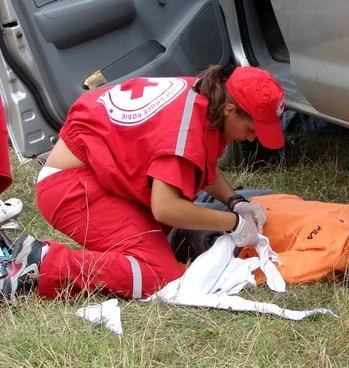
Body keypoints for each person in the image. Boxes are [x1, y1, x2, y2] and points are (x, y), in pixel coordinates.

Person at [0, 64, 287, 302]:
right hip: (71, 189)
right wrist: (232, 223)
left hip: (90, 176)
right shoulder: (186, 130)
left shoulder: (203, 94)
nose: (252, 138)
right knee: (158, 275)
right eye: (251, 129)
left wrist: (235, 202)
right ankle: (41, 264)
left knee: (167, 236)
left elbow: (201, 162)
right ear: (230, 110)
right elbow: (165, 207)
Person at [170, 190, 349, 292]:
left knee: (173, 213)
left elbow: (263, 269)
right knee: (203, 183)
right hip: (262, 199)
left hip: (233, 229)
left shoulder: (324, 260)